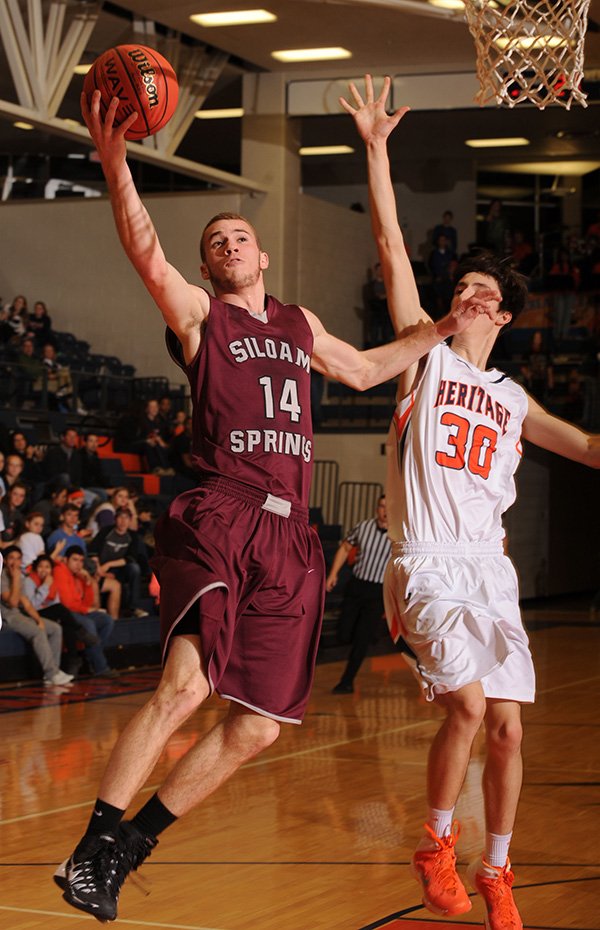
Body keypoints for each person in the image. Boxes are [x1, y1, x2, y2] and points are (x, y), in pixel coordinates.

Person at [53, 86, 489, 924]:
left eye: (239, 236)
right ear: (210, 265)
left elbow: (364, 370)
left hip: (293, 539)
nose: (228, 244)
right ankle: (90, 849)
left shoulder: (296, 323)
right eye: (215, 241)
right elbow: (145, 248)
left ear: (260, 256)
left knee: (259, 726)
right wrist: (114, 163)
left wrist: (442, 326)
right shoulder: (197, 317)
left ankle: (126, 850)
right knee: (185, 685)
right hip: (221, 510)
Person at [343, 74, 600, 930]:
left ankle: (497, 869)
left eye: (486, 294)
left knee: (509, 733)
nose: (472, 297)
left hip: (491, 569)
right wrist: (377, 150)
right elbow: (390, 250)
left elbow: (592, 449)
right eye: (465, 289)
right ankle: (435, 845)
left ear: (506, 315)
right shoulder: (429, 358)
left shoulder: (515, 398)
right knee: (466, 706)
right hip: (428, 563)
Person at [326, 494, 391, 694]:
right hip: (357, 586)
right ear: (376, 508)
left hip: (378, 591)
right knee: (344, 632)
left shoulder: (400, 534)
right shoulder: (363, 526)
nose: (384, 511)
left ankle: (347, 681)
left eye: (388, 507)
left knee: (361, 639)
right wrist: (333, 574)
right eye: (381, 506)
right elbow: (345, 547)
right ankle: (373, 632)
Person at [0, 545, 73, 686]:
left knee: (55, 628)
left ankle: (53, 673)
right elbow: (13, 603)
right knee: (37, 632)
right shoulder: (2, 577)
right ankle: (52, 673)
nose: (15, 562)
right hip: (6, 617)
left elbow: (26, 604)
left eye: (18, 558)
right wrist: (15, 579)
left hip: (19, 615)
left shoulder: (19, 577)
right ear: (4, 560)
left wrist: (38, 620)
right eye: (11, 558)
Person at [24, 554, 100, 677]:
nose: (44, 570)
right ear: (35, 568)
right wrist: (45, 587)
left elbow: (55, 602)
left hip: (50, 612)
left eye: (47, 567)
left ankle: (72, 660)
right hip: (33, 613)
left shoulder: (51, 580)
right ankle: (80, 632)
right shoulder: (29, 581)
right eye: (41, 567)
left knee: (67, 624)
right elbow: (32, 605)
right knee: (62, 611)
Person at [53, 545, 119, 679]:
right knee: (89, 624)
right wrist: (88, 610)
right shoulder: (60, 571)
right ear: (66, 560)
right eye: (75, 560)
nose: (78, 564)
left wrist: (88, 581)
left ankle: (92, 657)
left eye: (81, 561)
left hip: (79, 611)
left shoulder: (78, 575)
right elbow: (67, 604)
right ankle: (100, 667)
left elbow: (88, 602)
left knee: (107, 620)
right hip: (65, 613)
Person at [88, 507, 148, 618]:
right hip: (100, 568)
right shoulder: (106, 531)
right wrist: (99, 568)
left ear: (130, 520)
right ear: (115, 519)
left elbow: (130, 558)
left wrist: (109, 565)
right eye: (120, 517)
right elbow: (92, 552)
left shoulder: (133, 536)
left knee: (135, 568)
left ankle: (134, 607)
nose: (123, 521)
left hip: (120, 569)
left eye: (126, 518)